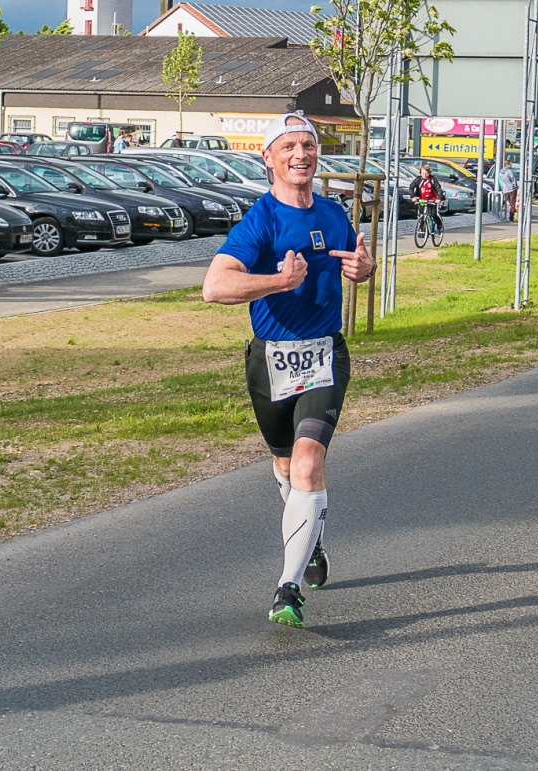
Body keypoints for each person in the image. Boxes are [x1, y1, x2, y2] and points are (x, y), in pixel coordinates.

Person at [201, 113, 375, 629]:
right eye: (289, 147)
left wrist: (365, 271)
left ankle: (289, 588)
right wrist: (277, 281)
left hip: (324, 355)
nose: (301, 155)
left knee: (306, 464)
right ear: (269, 158)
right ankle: (312, 537)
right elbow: (215, 287)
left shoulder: (334, 212)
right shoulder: (260, 221)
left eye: (308, 145)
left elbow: (359, 264)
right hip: (270, 361)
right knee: (284, 467)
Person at [409, 164, 444, 234]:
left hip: (432, 200)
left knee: (433, 214)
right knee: (421, 214)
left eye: (426, 173)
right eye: (423, 173)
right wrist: (413, 196)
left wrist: (439, 198)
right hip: (422, 200)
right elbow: (411, 187)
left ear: (429, 173)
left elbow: (439, 189)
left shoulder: (433, 179)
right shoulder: (418, 179)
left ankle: (439, 225)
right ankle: (421, 230)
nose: (425, 175)